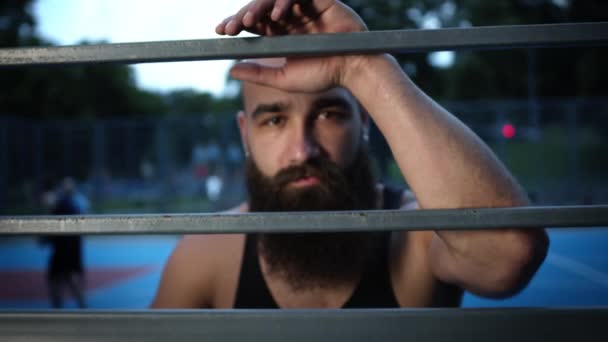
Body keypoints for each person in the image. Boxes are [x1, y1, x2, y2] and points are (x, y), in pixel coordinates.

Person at [152, 0, 549, 309]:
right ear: (245, 133)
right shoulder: (207, 254)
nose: (303, 150)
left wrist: (362, 66)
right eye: (273, 120)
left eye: (329, 114)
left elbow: (508, 255)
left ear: (363, 119)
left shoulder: (413, 240)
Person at [41, 177, 87, 308]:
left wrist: (45, 238)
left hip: (67, 250)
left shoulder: (66, 204)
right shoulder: (68, 203)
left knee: (67, 281)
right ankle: (62, 310)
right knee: (63, 281)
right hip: (66, 250)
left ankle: (66, 310)